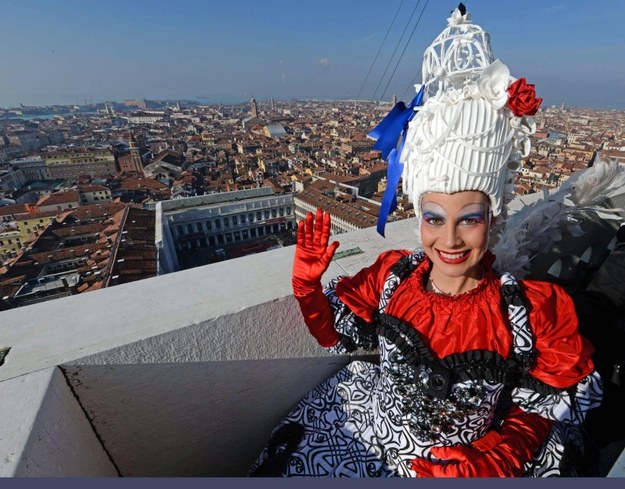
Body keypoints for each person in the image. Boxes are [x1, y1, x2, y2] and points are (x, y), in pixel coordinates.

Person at [251, 4, 602, 477]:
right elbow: (336, 334)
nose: (450, 239)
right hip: (370, 432)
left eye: (469, 219)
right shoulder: (393, 277)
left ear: (491, 218)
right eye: (434, 219)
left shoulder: (529, 311)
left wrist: (494, 457)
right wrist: (308, 289)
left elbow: (548, 403)